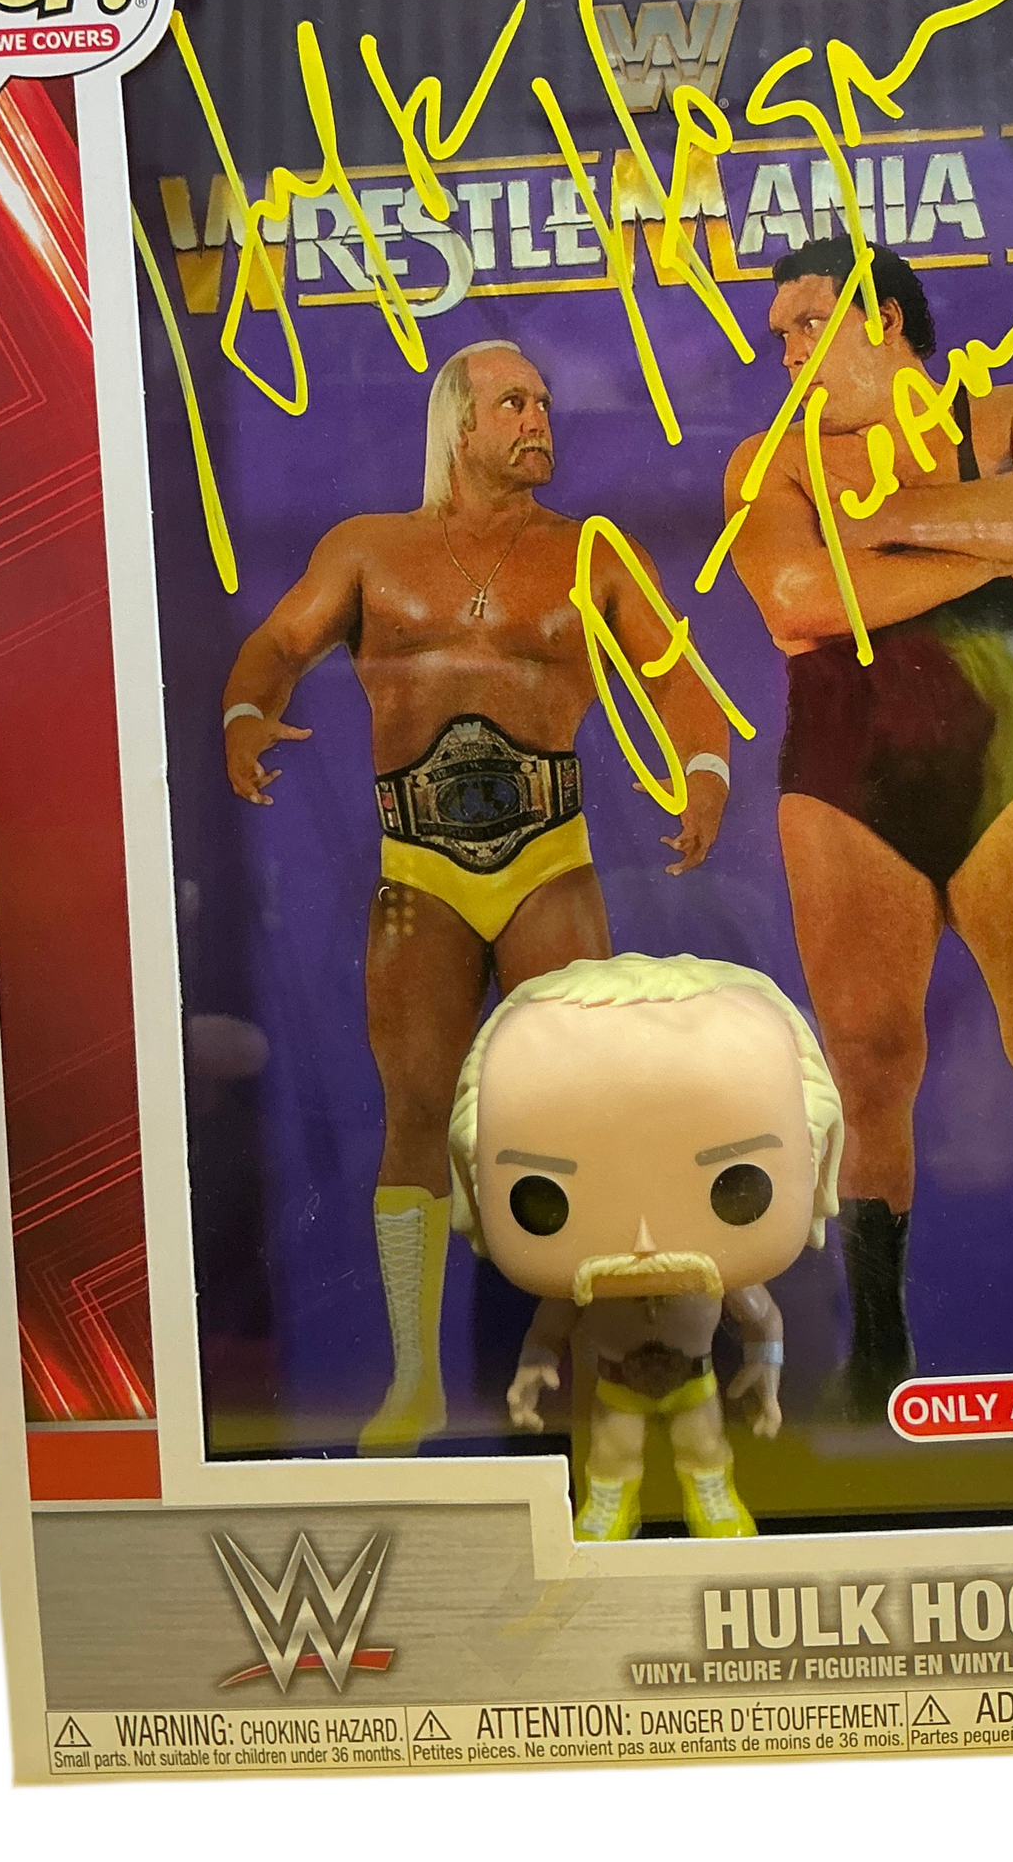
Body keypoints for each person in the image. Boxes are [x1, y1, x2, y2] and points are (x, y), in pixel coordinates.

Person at [223, 341, 731, 1450]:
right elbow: (278, 641)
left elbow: (676, 675)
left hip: (551, 859)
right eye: (515, 402)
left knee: (578, 1115)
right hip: (421, 869)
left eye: (543, 400)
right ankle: (414, 1379)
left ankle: (595, 1374)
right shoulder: (368, 549)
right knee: (415, 1113)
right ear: (459, 423)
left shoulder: (591, 552)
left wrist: (705, 770)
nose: (539, 417)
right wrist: (244, 713)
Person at [722, 239, 1013, 1420]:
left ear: (886, 318)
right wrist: (994, 543)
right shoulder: (770, 460)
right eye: (778, 335)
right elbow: (797, 597)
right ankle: (878, 1353)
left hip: (1009, 761)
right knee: (865, 1065)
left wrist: (885, 522)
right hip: (846, 781)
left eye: (806, 324)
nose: (785, 351)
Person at [450, 952, 843, 1540]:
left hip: (694, 1379)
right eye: (543, 1198)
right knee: (612, 1458)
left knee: (704, 1449)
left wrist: (767, 1367)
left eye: (737, 1188)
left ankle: (713, 1498)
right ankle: (610, 1507)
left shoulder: (719, 1277)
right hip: (617, 1384)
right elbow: (550, 1327)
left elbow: (763, 1319)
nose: (644, 1242)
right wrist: (534, 1363)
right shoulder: (587, 1287)